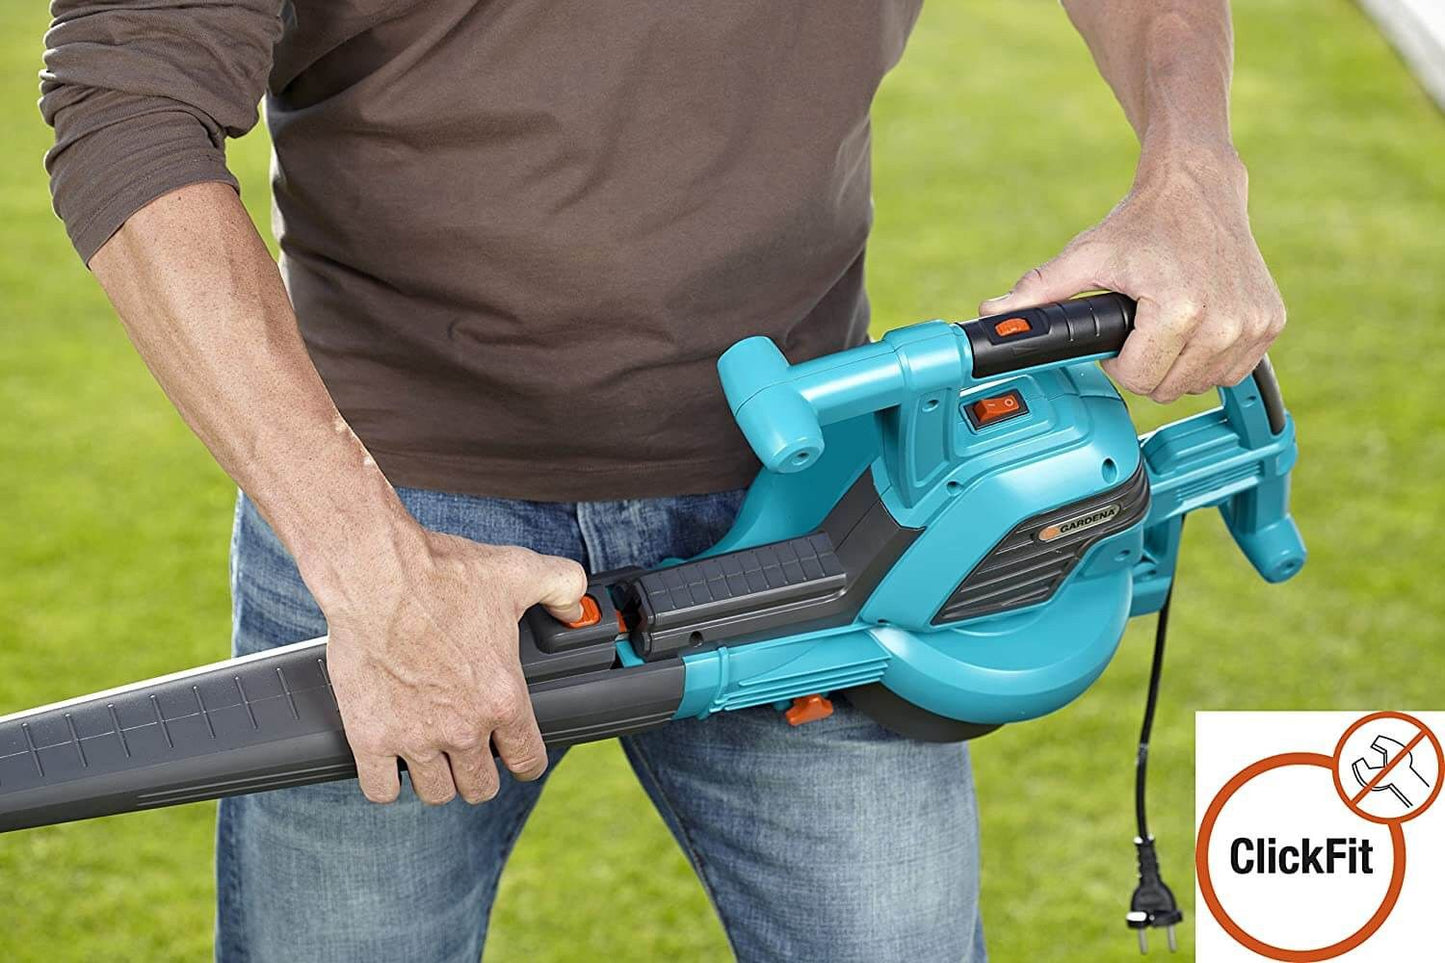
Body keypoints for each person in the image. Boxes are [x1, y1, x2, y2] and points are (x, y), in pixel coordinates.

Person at [39, 0, 1284, 959]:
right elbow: (125, 98)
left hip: (824, 512)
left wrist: (1194, 173)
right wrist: (372, 569)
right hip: (404, 523)